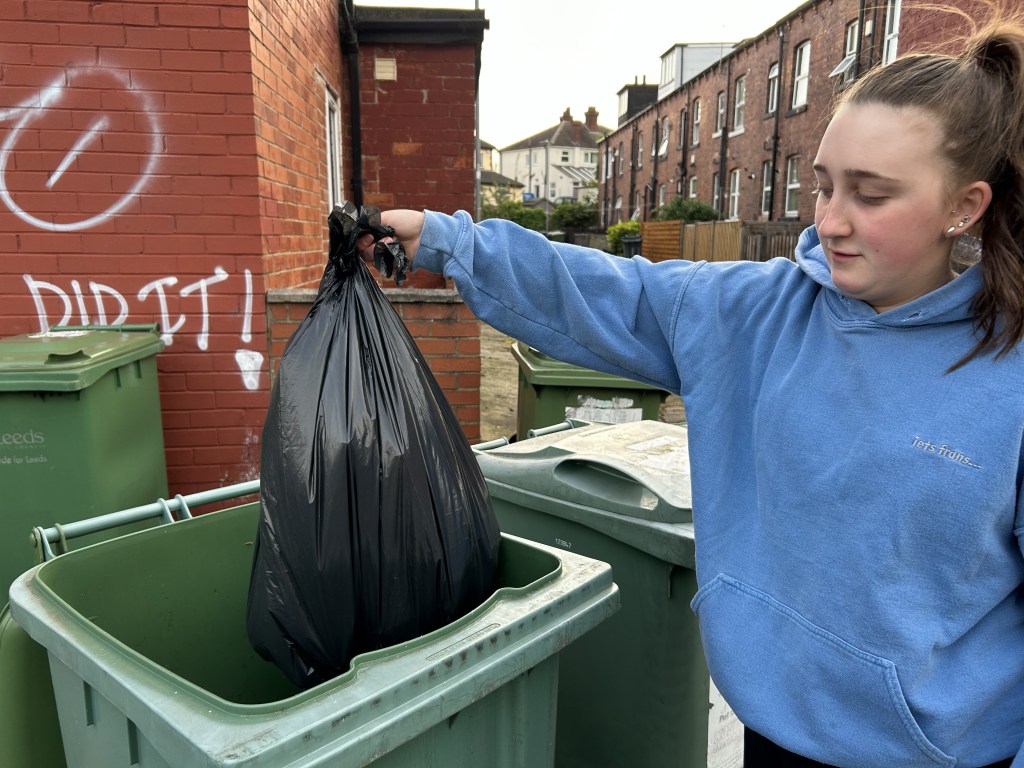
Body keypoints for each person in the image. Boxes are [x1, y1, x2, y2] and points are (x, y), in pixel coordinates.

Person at [359, 5, 1024, 765]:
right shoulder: (756, 315)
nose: (831, 221)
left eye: (870, 196)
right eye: (824, 187)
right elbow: (609, 290)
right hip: (771, 732)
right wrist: (445, 242)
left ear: (964, 207)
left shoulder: (1009, 377)